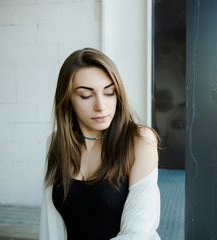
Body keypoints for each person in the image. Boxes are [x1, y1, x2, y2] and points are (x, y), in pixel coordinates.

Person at [39, 48, 161, 240]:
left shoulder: (140, 141)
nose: (101, 106)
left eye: (109, 92)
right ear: (68, 101)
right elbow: (50, 225)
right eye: (86, 96)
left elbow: (136, 234)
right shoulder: (56, 143)